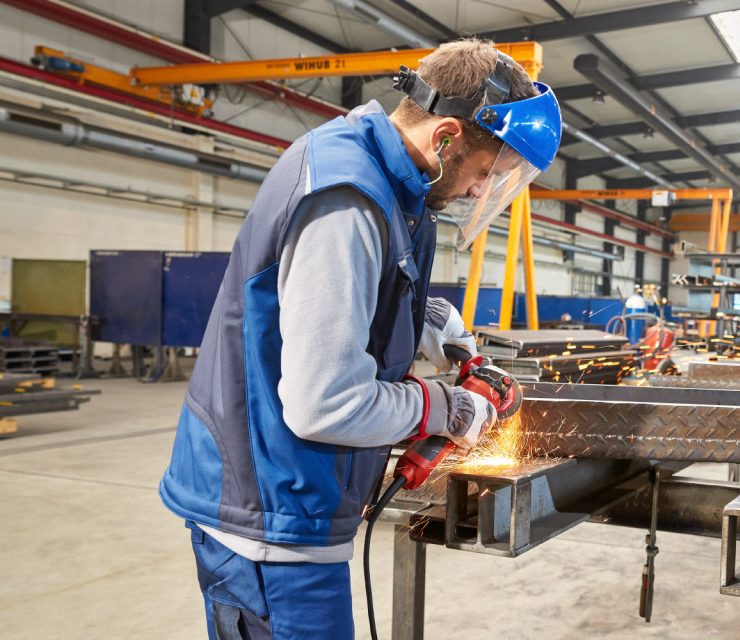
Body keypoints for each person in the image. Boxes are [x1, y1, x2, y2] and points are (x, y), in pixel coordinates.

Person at [158, 39, 561, 638]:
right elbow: (326, 404)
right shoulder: (348, 200)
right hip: (271, 522)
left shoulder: (392, 183)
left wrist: (428, 322)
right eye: (484, 173)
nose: (481, 191)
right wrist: (447, 408)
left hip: (288, 501)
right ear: (446, 137)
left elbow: (341, 302)